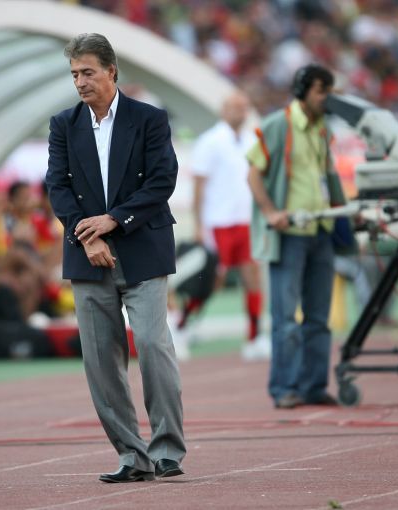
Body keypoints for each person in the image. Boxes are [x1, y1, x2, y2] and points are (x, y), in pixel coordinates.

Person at [46, 33, 186, 483]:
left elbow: (162, 180)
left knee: (151, 344)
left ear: (111, 71)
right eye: (74, 74)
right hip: (88, 254)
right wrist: (87, 235)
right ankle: (132, 454)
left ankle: (167, 449)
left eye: (87, 72)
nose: (80, 82)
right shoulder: (63, 125)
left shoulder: (149, 119)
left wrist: (113, 221)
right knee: (100, 360)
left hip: (143, 246)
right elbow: (58, 187)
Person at [246, 64, 347, 409]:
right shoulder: (278, 125)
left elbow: (328, 175)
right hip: (289, 233)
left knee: (319, 317)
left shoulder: (323, 129)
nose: (326, 98)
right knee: (287, 318)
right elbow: (253, 174)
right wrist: (271, 212)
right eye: (321, 91)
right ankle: (284, 387)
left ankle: (313, 386)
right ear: (303, 91)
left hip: (321, 229)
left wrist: (344, 212)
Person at [191, 91, 269, 361]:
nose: (241, 112)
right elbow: (199, 186)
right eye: (235, 107)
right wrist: (199, 224)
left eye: (244, 107)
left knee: (252, 277)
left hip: (245, 220)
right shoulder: (210, 141)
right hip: (218, 221)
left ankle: (254, 337)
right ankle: (183, 324)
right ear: (224, 111)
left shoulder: (251, 140)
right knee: (214, 280)